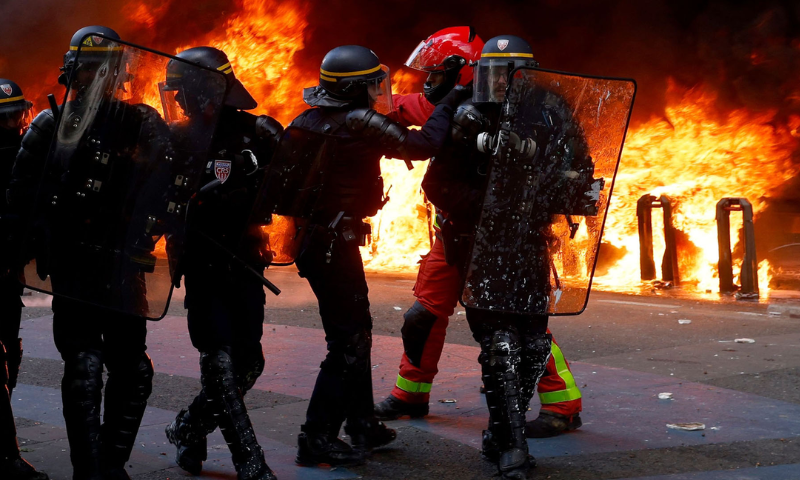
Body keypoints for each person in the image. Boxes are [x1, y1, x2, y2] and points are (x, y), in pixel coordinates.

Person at [374, 29, 583, 440]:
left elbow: (578, 175)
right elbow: (436, 181)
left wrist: (528, 190)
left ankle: (563, 404)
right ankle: (410, 393)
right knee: (424, 315)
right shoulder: (462, 107)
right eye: (495, 73)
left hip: (515, 239)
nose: (502, 82)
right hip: (457, 231)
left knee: (524, 327)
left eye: (511, 74)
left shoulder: (551, 111)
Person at [286, 44, 467, 467]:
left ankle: (361, 423)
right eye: (371, 85)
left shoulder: (311, 117)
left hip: (318, 241)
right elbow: (424, 145)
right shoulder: (357, 121)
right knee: (347, 341)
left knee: (356, 331)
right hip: (332, 244)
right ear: (354, 89)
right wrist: (455, 97)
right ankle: (316, 438)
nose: (376, 92)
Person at [8, 26, 169, 480]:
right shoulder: (52, 124)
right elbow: (21, 202)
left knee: (118, 367)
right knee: (101, 365)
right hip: (81, 264)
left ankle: (101, 469)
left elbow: (169, 191)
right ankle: (98, 470)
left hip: (115, 265)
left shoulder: (139, 124)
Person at [162, 46, 283, 480]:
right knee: (218, 361)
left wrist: (253, 188)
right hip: (202, 264)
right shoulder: (175, 139)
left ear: (203, 90)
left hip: (246, 262)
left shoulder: (260, 134)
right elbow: (156, 199)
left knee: (250, 362)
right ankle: (249, 461)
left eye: (182, 92)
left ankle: (189, 427)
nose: (176, 101)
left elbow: (295, 190)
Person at [0, 78, 48, 480]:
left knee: (9, 355)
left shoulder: (28, 157)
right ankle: (5, 454)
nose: (14, 123)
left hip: (8, 276)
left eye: (16, 115)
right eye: (7, 118)